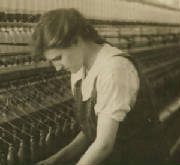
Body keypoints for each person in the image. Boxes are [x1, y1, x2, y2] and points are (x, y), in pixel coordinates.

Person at [32, 8, 161, 165]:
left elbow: (103, 145)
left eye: (58, 58)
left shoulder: (114, 69)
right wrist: (55, 160)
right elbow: (92, 131)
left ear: (76, 40)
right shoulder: (79, 71)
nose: (57, 67)